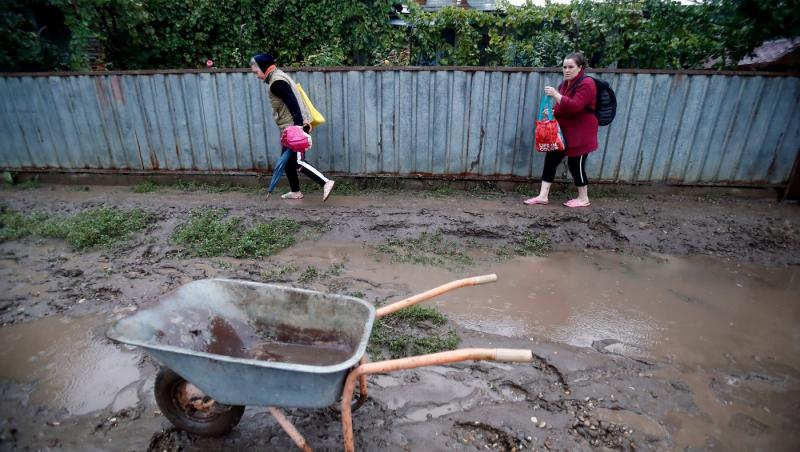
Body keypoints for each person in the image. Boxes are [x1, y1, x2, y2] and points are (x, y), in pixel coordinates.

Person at [250, 53, 335, 201]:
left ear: (263, 68)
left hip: (294, 128)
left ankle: (326, 182)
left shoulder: (276, 82)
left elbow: (293, 103)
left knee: (297, 161)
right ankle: (295, 191)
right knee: (288, 161)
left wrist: (298, 128)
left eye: (256, 72)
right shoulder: (277, 76)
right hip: (291, 128)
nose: (256, 76)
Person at [525, 52, 597, 208]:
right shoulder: (565, 84)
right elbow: (562, 107)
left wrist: (556, 95)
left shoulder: (587, 83)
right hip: (562, 133)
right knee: (551, 159)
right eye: (564, 67)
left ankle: (583, 198)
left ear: (580, 67)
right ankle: (543, 196)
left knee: (575, 165)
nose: (567, 70)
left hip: (580, 135)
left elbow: (575, 107)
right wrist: (550, 112)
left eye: (571, 67)